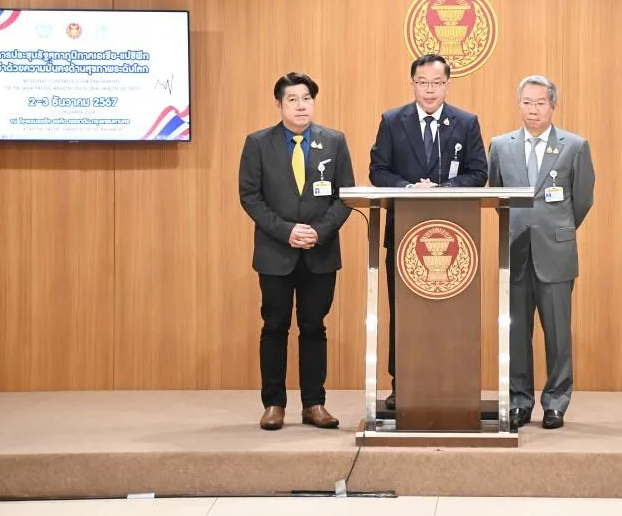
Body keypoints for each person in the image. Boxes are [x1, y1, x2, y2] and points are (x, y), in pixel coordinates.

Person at [369, 54, 488, 409]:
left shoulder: (465, 123)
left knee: (450, 313)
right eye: (423, 82)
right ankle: (401, 383)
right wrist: (409, 189)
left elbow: (478, 172)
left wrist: (445, 190)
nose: (430, 89)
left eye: (437, 83)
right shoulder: (393, 121)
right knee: (403, 312)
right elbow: (378, 169)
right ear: (413, 83)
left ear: (448, 85)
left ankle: (451, 381)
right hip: (405, 232)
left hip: (454, 236)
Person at [239, 72, 355, 431]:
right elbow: (250, 197)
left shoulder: (334, 141)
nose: (301, 105)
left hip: (320, 253)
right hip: (276, 252)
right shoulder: (258, 142)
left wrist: (318, 232)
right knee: (274, 326)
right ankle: (273, 403)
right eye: (292, 99)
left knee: (314, 327)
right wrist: (287, 231)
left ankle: (314, 403)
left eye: (306, 98)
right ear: (279, 105)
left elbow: (345, 196)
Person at [487, 75, 595, 429]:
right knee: (516, 332)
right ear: (519, 105)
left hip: (556, 253)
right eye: (527, 103)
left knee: (558, 334)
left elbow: (582, 199)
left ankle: (556, 402)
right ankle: (519, 401)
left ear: (553, 106)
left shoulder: (574, 146)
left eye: (540, 103)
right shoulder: (500, 145)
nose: (533, 110)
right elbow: (495, 195)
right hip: (515, 250)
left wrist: (557, 229)